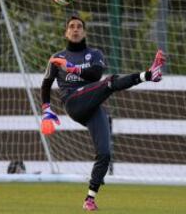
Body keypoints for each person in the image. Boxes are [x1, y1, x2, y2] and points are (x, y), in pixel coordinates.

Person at [40, 15, 165, 211]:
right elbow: (46, 84)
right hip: (73, 102)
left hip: (91, 105)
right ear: (66, 32)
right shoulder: (58, 57)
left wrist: (71, 68)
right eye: (71, 26)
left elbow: (94, 75)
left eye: (79, 26)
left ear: (85, 32)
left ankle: (89, 199)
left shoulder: (95, 54)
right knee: (110, 82)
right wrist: (46, 110)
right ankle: (149, 75)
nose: (75, 29)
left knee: (105, 153)